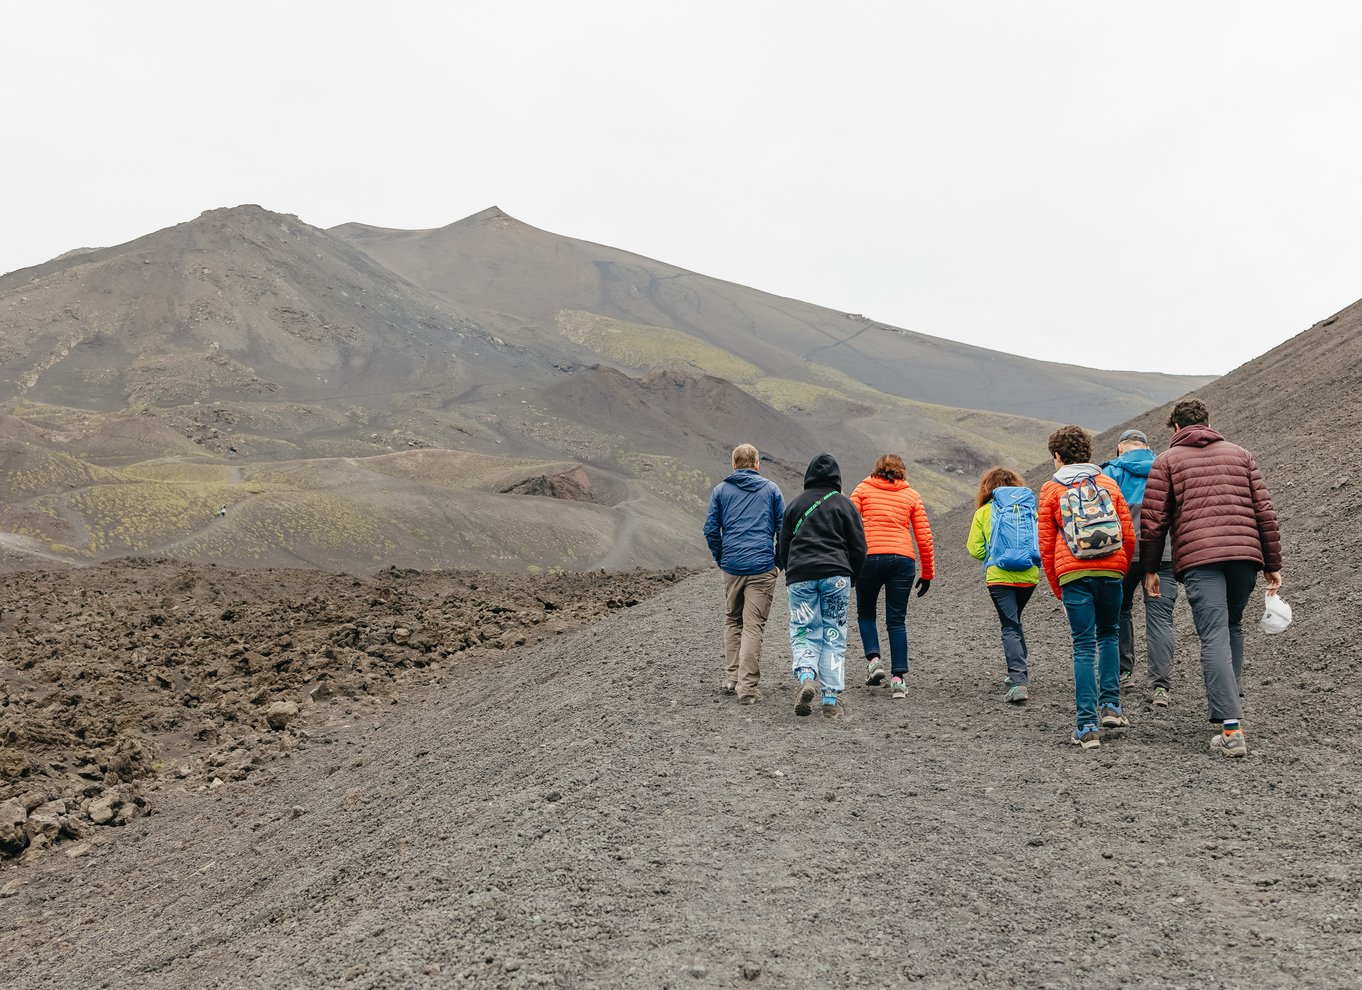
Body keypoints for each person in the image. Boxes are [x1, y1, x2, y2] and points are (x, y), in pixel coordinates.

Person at [1139, 399, 1282, 758]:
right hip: (1245, 556)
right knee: (1232, 627)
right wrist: (1272, 562)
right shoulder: (1241, 455)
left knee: (1214, 633)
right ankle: (1230, 712)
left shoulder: (1167, 461)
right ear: (1207, 422)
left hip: (1201, 560)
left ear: (1175, 428)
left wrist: (1151, 568)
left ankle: (1231, 728)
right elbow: (1263, 510)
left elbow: (1154, 521)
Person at [1038, 426, 1135, 749]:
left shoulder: (1051, 490)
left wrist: (1058, 585)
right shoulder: (1108, 483)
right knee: (1109, 634)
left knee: (1083, 646)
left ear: (1057, 456)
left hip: (1073, 574)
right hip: (1111, 571)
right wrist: (1120, 567)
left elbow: (1046, 545)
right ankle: (1111, 706)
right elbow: (1128, 533)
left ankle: (1086, 725)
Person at [779, 453, 867, 719]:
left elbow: (783, 545)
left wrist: (789, 569)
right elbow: (859, 547)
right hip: (836, 575)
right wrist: (853, 576)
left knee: (804, 630)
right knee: (834, 635)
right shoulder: (844, 505)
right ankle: (830, 699)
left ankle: (807, 676)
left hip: (801, 576)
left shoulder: (795, 505)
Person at [1101, 429, 1178, 706]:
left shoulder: (1109, 472)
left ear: (1120, 449)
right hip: (1164, 555)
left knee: (1119, 611)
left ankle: (1123, 672)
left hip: (1122, 554)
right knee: (1160, 619)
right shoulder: (1166, 468)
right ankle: (1161, 687)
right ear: (1147, 448)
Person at [703, 443, 785, 704]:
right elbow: (784, 530)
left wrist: (722, 558)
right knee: (753, 627)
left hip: (733, 567)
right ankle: (747, 688)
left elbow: (710, 530)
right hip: (762, 566)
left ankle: (731, 678)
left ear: (734, 465)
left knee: (732, 621)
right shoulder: (771, 490)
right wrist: (778, 561)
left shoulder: (721, 491)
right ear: (757, 464)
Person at [849, 454, 934, 700]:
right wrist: (927, 573)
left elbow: (849, 528)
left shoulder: (862, 490)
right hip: (902, 560)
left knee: (866, 613)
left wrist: (850, 564)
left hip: (869, 557)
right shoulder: (911, 495)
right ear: (902, 472)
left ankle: (874, 660)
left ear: (876, 470)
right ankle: (898, 680)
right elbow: (924, 538)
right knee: (896, 621)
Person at [967, 467, 1040, 704]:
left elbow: (974, 548)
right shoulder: (1028, 509)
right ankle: (1019, 671)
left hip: (999, 577)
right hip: (1028, 576)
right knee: (1015, 620)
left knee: (1009, 625)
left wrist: (993, 556)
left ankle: (1018, 681)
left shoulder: (984, 512)